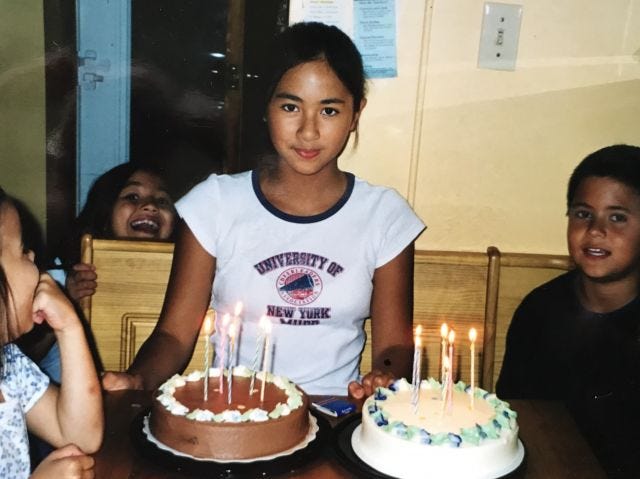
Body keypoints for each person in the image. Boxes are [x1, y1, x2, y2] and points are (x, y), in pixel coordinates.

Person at [102, 22, 425, 398]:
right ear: (265, 107)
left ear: (356, 115)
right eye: (290, 106)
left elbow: (395, 347)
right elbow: (174, 334)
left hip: (335, 413)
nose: (308, 131)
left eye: (330, 111)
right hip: (236, 411)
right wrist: (138, 379)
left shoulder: (384, 215)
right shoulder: (216, 204)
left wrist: (382, 378)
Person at [496, 144, 640, 477]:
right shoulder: (539, 311)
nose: (595, 230)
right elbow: (518, 418)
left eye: (617, 217)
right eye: (582, 213)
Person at [0, 187, 103, 478]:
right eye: (22, 251)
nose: (33, 257)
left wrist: (69, 328)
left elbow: (82, 436)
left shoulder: (10, 366)